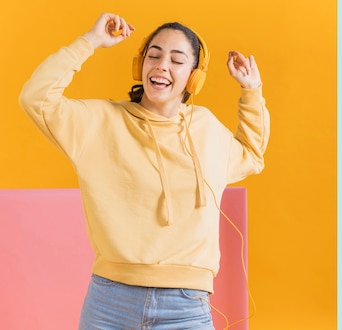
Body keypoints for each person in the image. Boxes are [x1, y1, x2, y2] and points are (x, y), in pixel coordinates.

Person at [18, 12, 269, 329]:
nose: (162, 65)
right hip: (109, 303)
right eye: (154, 55)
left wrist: (252, 90)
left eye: (177, 60)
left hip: (186, 307)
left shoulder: (205, 129)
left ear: (193, 77)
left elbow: (251, 155)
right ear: (141, 66)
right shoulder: (100, 123)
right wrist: (91, 41)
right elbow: (35, 97)